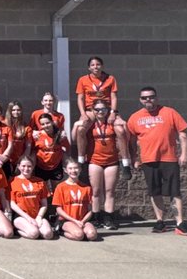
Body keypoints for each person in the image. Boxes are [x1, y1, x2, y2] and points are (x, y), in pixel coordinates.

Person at [127, 86, 187, 235]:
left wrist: (184, 154)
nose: (148, 99)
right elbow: (131, 140)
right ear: (140, 100)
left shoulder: (170, 112)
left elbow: (183, 135)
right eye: (144, 97)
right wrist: (134, 158)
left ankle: (180, 223)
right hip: (148, 160)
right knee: (155, 192)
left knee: (175, 192)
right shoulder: (135, 117)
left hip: (169, 159)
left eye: (151, 97)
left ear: (156, 98)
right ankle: (160, 222)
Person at [72, 57, 129, 179]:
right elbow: (80, 98)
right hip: (92, 110)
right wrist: (83, 113)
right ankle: (81, 161)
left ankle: (125, 163)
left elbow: (113, 97)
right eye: (92, 65)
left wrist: (113, 112)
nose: (95, 67)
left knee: (120, 130)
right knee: (81, 130)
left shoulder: (110, 79)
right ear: (89, 67)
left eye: (98, 64)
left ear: (102, 66)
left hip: (107, 109)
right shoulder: (83, 80)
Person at [86, 99, 124, 229]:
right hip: (95, 160)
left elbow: (124, 133)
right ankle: (96, 217)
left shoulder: (112, 122)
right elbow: (76, 136)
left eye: (103, 109)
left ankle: (108, 218)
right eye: (97, 109)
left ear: (107, 110)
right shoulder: (89, 124)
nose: (100, 111)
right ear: (93, 111)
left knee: (109, 191)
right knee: (95, 191)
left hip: (111, 161)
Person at [52, 158, 99, 241]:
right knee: (79, 235)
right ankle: (61, 231)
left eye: (76, 168)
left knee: (92, 235)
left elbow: (90, 210)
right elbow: (59, 210)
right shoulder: (60, 187)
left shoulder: (87, 188)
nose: (73, 171)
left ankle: (80, 230)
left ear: (80, 169)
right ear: (65, 170)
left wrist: (83, 221)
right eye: (70, 168)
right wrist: (74, 221)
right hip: (66, 220)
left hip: (82, 220)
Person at [9, 156, 54, 240]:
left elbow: (44, 204)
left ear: (33, 167)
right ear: (18, 166)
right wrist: (28, 218)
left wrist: (39, 217)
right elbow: (12, 204)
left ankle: (34, 228)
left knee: (48, 235)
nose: (26, 168)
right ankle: (17, 230)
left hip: (37, 216)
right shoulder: (13, 181)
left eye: (29, 166)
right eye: (23, 166)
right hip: (21, 216)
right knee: (34, 234)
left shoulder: (40, 181)